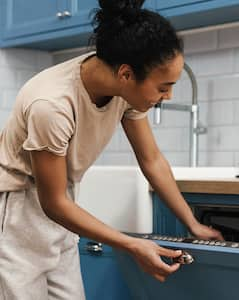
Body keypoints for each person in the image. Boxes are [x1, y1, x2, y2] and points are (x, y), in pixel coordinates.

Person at [0, 0, 223, 299]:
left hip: (60, 208)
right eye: (162, 87)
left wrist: (192, 222)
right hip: (14, 213)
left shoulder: (123, 89)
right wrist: (131, 244)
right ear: (127, 74)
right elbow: (51, 202)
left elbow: (152, 159)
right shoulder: (52, 105)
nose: (167, 96)